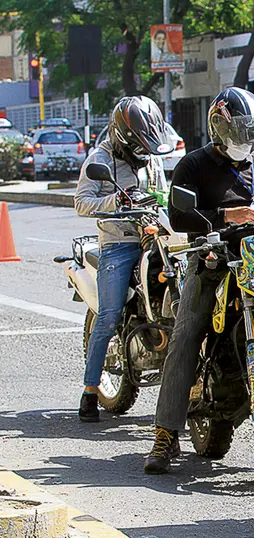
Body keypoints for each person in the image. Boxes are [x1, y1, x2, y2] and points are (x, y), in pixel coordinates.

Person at [144, 87, 254, 474]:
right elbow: (179, 219)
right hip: (212, 261)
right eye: (239, 131)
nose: (247, 140)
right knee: (187, 334)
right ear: (220, 128)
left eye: (252, 132)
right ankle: (165, 435)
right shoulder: (192, 165)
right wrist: (229, 217)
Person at [74, 95, 172, 422]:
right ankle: (90, 391)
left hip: (155, 239)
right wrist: (116, 201)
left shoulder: (152, 158)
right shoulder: (99, 159)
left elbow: (164, 195)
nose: (144, 154)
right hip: (118, 244)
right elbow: (82, 203)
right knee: (109, 315)